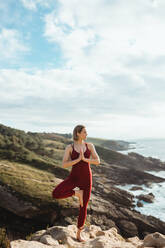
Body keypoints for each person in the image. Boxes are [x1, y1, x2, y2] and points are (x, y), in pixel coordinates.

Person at [52, 124, 100, 242]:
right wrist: (78, 160)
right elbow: (64, 164)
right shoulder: (70, 147)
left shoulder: (90, 146)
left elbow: (97, 161)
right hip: (74, 177)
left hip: (87, 178)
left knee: (83, 206)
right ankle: (76, 193)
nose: (86, 134)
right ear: (78, 133)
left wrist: (85, 159)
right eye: (84, 132)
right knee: (56, 193)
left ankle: (79, 234)